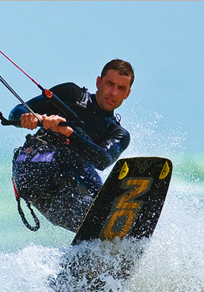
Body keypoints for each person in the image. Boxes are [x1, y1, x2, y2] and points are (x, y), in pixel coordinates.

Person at [9, 59, 134, 232]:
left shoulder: (118, 134)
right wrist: (30, 117)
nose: (113, 92)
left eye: (121, 88)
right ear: (98, 82)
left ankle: (94, 250)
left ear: (127, 93)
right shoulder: (71, 94)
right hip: (31, 167)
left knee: (95, 217)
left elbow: (103, 160)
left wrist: (67, 132)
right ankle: (104, 210)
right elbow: (16, 112)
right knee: (74, 161)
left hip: (60, 195)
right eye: (110, 84)